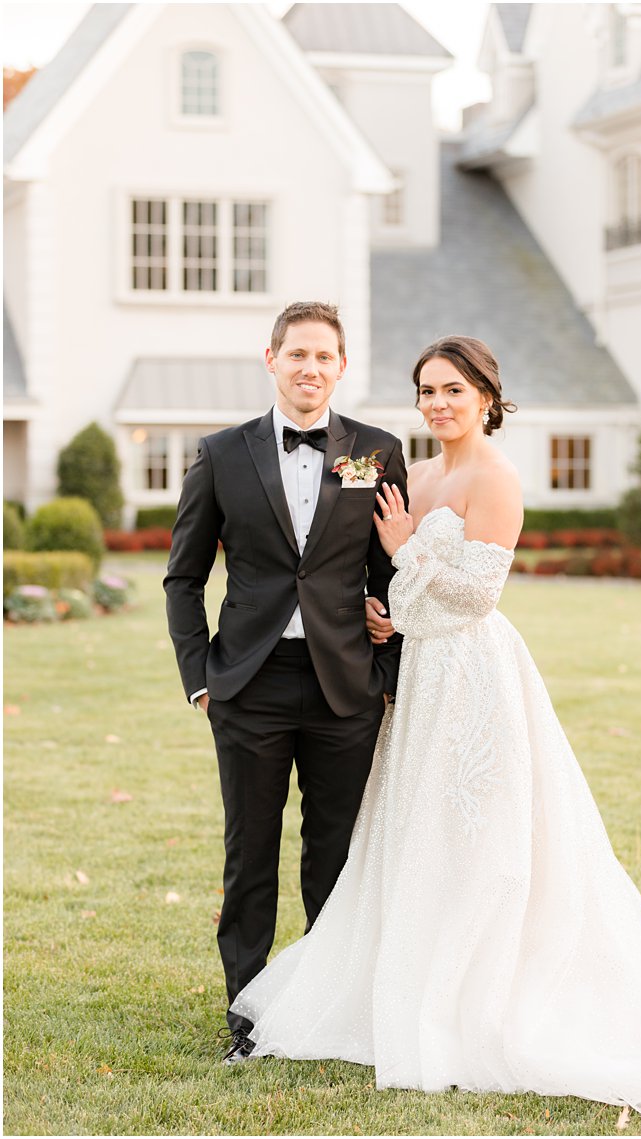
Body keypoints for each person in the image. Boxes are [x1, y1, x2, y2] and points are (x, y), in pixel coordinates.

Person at [229, 335, 641, 1120]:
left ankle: (481, 992)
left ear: (486, 396)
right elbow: (401, 581)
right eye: (426, 391)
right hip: (419, 678)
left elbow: (479, 595)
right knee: (418, 830)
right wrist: (387, 613)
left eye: (452, 390)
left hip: (473, 676)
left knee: (479, 835)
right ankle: (406, 972)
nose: (438, 404)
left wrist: (408, 555)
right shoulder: (413, 469)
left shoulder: (495, 476)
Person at [164, 301, 408, 1065]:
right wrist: (200, 678)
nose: (309, 368)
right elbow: (183, 576)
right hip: (248, 685)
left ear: (341, 367)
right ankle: (248, 1019)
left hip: (346, 688)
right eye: (296, 353)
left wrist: (387, 673)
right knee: (250, 854)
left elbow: (391, 575)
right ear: (270, 359)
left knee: (335, 854)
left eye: (323, 356)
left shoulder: (375, 450)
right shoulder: (221, 453)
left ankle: (324, 1011)